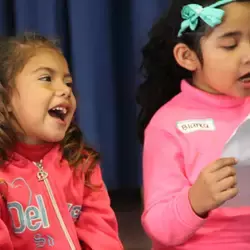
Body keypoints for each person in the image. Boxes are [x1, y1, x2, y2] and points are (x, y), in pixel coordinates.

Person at [136, 0, 250, 249]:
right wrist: (195, 201)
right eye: (230, 45)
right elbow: (159, 226)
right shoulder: (167, 125)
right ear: (187, 57)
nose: (248, 55)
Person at [0, 32, 123, 250]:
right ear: (6, 97)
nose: (65, 90)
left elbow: (101, 236)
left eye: (68, 82)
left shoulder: (81, 164)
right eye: (46, 78)